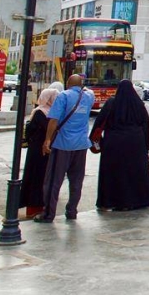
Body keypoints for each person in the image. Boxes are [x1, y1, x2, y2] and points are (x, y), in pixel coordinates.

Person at [35, 74, 95, 223]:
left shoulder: (63, 96)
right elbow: (88, 91)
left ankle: (48, 214)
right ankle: (72, 211)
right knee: (76, 181)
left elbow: (53, 120)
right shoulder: (89, 97)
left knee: (53, 181)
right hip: (81, 144)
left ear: (68, 84)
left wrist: (47, 140)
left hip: (63, 144)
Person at [90, 79, 149, 211]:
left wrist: (97, 141)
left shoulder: (111, 103)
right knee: (133, 172)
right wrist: (146, 147)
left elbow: (99, 122)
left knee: (112, 173)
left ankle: (108, 201)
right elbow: (145, 127)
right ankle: (133, 201)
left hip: (113, 144)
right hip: (135, 144)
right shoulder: (139, 105)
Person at [19, 87, 59, 219]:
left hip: (41, 149)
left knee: (41, 177)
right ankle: (33, 208)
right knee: (37, 178)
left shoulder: (42, 112)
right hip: (39, 151)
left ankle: (39, 206)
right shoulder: (41, 113)